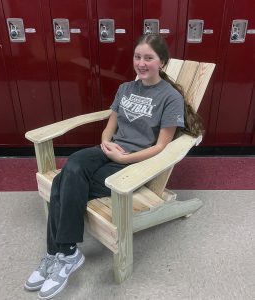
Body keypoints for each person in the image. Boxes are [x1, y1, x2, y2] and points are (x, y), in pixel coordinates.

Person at [24, 34, 203, 299]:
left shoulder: (169, 98)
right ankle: (66, 253)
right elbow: (109, 127)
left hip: (134, 165)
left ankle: (58, 253)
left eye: (148, 58)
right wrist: (106, 143)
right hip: (109, 151)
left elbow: (160, 147)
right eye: (137, 57)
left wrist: (123, 159)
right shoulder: (125, 89)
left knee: (64, 181)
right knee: (73, 164)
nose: (141, 63)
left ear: (162, 63)